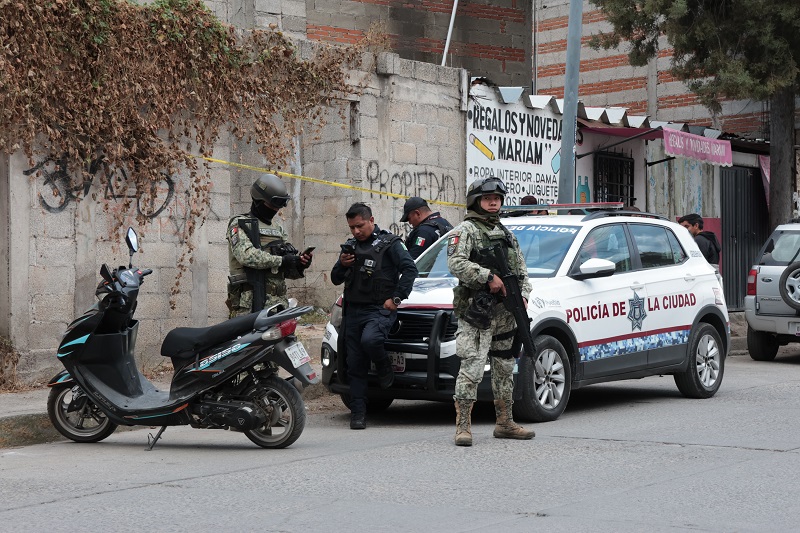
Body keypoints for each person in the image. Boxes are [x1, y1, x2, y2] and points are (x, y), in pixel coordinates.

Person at [446, 177, 535, 446]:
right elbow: (456, 263)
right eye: (487, 198)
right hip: (478, 312)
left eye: (497, 198)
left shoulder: (507, 233)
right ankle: (463, 427)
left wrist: (524, 295)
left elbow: (521, 270)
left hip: (506, 312)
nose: (493, 202)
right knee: (472, 368)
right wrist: (487, 277)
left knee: (504, 367)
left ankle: (505, 422)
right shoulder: (466, 230)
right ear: (476, 201)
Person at [331, 202, 418, 430]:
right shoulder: (350, 247)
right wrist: (342, 265)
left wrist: (396, 298)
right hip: (353, 310)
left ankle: (383, 365)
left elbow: (410, 269)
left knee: (371, 340)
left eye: (360, 226)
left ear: (371, 220)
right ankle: (358, 414)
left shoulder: (390, 243)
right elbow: (335, 278)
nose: (356, 231)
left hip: (379, 309)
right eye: (352, 227)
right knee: (355, 364)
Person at [226, 174, 312, 317]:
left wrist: (298, 264)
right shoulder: (239, 223)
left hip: (278, 305)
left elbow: (284, 272)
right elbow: (246, 256)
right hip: (249, 305)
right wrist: (282, 260)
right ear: (258, 200)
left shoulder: (278, 229)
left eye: (278, 206)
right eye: (272, 205)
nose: (275, 209)